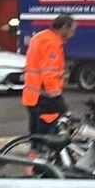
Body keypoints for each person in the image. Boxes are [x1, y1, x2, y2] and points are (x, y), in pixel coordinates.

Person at [22, 14, 75, 146]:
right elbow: (49, 73)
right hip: (45, 99)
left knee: (36, 136)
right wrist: (56, 98)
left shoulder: (40, 37)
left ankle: (35, 162)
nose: (72, 34)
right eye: (71, 30)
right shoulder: (52, 43)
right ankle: (47, 163)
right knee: (50, 136)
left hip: (32, 95)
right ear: (63, 28)